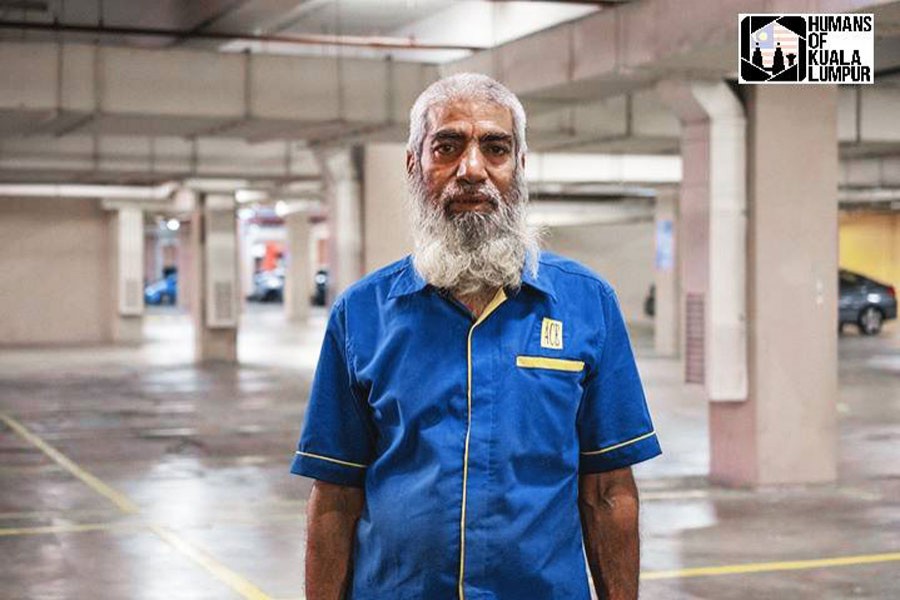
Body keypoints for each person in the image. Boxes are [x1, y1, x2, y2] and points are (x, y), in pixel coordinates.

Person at [291, 73, 662, 600]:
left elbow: (607, 492)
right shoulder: (361, 314)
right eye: (447, 146)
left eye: (495, 148)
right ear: (414, 163)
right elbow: (334, 495)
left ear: (520, 166)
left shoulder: (586, 304)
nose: (471, 170)